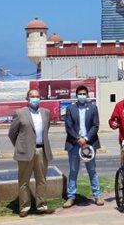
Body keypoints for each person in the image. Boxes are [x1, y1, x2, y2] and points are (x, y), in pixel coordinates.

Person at [9, 89, 55, 217]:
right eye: (32, 96)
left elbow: (46, 130)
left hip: (42, 150)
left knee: (42, 180)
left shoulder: (46, 113)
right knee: (24, 181)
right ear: (27, 98)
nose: (35, 99)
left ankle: (42, 205)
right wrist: (20, 146)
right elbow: (12, 133)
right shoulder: (19, 113)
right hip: (25, 152)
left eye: (37, 96)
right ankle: (24, 207)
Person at [63, 85, 103, 207]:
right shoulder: (70, 109)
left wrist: (85, 139)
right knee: (73, 170)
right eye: (79, 94)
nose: (82, 96)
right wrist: (78, 139)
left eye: (84, 94)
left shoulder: (93, 108)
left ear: (87, 95)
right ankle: (71, 197)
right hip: (74, 144)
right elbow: (68, 126)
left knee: (92, 170)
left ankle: (97, 196)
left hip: (89, 143)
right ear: (76, 95)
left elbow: (95, 125)